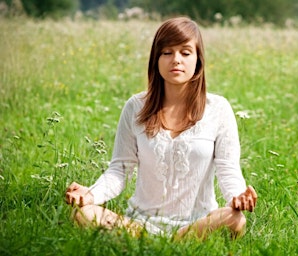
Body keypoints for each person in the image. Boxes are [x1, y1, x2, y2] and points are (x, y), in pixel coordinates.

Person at [65, 17, 257, 239]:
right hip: (139, 224)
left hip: (197, 223)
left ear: (198, 60)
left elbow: (228, 169)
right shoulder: (135, 107)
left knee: (235, 219)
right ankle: (162, 242)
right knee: (83, 214)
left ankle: (172, 241)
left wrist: (238, 196)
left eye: (185, 53)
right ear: (156, 59)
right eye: (167, 52)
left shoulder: (219, 109)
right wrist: (90, 195)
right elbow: (119, 170)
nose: (176, 60)